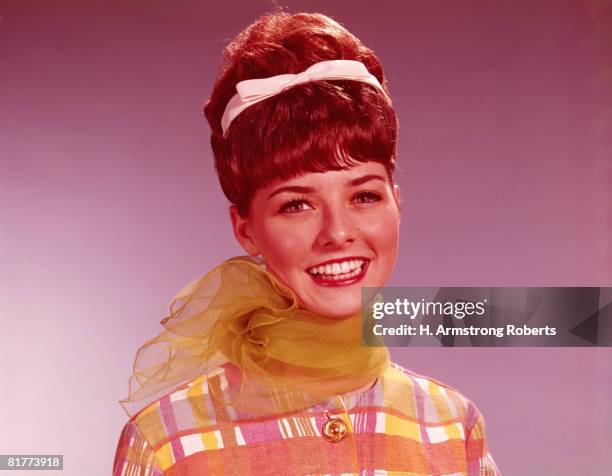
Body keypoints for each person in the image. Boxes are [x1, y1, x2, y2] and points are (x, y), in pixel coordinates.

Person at [113, 10, 501, 475]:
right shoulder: (169, 441)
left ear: (396, 202)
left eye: (364, 195)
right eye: (297, 204)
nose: (337, 232)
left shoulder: (451, 426)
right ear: (245, 228)